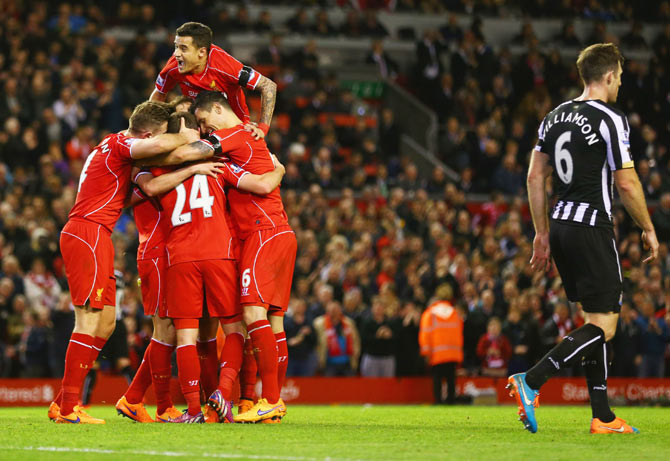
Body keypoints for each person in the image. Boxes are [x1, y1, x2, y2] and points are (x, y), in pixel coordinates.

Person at [508, 43, 659, 435]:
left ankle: (603, 416)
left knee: (592, 323)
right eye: (620, 77)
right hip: (592, 227)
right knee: (605, 328)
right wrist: (648, 227)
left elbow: (534, 177)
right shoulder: (611, 118)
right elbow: (626, 182)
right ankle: (532, 380)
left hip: (559, 227)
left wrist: (541, 233)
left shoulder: (553, 117)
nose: (621, 83)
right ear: (608, 76)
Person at [47, 101, 212, 424]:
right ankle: (68, 409)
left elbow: (131, 193)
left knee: (106, 323)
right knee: (88, 321)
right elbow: (165, 145)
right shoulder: (121, 143)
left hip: (96, 235)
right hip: (88, 232)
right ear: (148, 134)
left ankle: (63, 401)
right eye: (158, 136)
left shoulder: (113, 151)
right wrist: (186, 134)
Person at [144, 112, 286, 423]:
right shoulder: (219, 164)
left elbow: (149, 188)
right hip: (220, 253)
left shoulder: (157, 168)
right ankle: (223, 392)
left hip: (179, 257)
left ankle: (194, 410)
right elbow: (261, 184)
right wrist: (279, 168)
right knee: (235, 327)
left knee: (185, 337)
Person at [189, 91, 297, 423]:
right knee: (274, 322)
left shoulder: (234, 135)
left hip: (262, 233)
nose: (206, 130)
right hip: (278, 232)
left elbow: (196, 152)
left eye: (205, 121)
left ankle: (271, 399)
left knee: (252, 313)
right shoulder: (242, 149)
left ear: (218, 109)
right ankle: (271, 406)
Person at [116, 113, 227, 424]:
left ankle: (149, 400)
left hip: (173, 252)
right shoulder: (148, 166)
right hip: (157, 251)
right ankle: (154, 402)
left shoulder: (168, 164)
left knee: (175, 330)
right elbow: (147, 189)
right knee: (166, 330)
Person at [150, 22, 277, 140]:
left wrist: (263, 128)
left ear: (201, 52)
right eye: (176, 47)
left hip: (234, 129)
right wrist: (154, 128)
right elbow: (159, 94)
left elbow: (268, 86)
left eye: (183, 48)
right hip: (198, 125)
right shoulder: (173, 66)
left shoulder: (226, 66)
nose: (176, 54)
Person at [419, 285, 463, 405]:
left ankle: (438, 401)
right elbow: (459, 335)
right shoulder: (454, 313)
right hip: (453, 353)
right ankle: (451, 402)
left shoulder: (430, 313)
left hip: (437, 354)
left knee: (437, 379)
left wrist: (426, 353)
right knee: (451, 379)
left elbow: (425, 335)